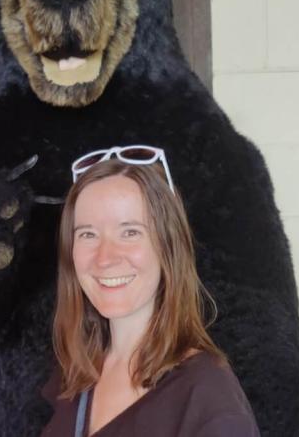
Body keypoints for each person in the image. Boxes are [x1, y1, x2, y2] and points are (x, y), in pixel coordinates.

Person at [41, 146, 261, 436]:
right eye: (88, 234)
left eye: (130, 232)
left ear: (168, 247)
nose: (105, 257)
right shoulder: (75, 377)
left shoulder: (208, 399)